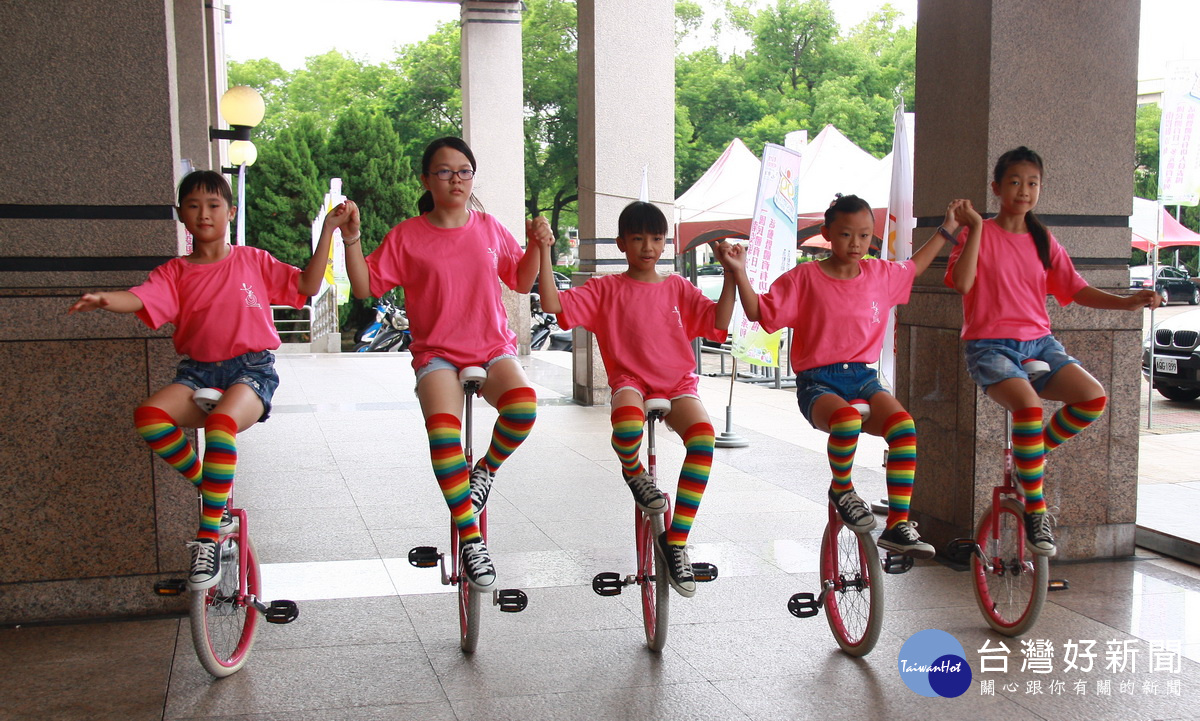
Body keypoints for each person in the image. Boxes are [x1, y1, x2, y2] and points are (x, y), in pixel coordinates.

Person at [68, 169, 333, 590]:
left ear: (230, 212)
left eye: (213, 205)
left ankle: (208, 537)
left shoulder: (253, 260)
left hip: (251, 370)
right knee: (150, 416)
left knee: (221, 425)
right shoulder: (174, 272)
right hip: (197, 372)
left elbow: (307, 283)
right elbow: (140, 296)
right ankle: (215, 492)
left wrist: (330, 232)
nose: (204, 214)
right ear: (181, 215)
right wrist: (104, 299)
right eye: (193, 206)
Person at [337, 137, 547, 592]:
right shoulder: (407, 236)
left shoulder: (490, 227)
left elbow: (520, 278)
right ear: (426, 180)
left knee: (523, 408)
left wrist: (536, 246)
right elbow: (364, 286)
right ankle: (471, 541)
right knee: (444, 434)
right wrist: (351, 238)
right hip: (436, 355)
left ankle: (485, 472)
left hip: (492, 348)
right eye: (445, 172)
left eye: (464, 171)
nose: (456, 180)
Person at [943, 146, 1160, 557]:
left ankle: (1031, 455)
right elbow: (962, 283)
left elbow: (1076, 289)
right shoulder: (979, 232)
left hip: (1040, 342)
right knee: (1028, 406)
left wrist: (1128, 301)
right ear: (996, 188)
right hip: (989, 344)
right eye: (1014, 182)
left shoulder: (1043, 240)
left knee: (1092, 397)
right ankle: (1035, 507)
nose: (1024, 190)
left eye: (1032, 183)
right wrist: (973, 226)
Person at [719, 194, 960, 559]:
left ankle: (897, 524)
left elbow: (914, 266)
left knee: (904, 428)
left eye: (864, 236)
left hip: (864, 378)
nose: (856, 243)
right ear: (827, 233)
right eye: (847, 235)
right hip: (818, 383)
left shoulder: (880, 274)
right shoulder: (804, 278)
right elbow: (758, 312)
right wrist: (738, 272)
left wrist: (947, 230)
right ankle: (842, 489)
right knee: (846, 420)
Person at [535, 201, 735, 597]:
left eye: (657, 239)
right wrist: (543, 250)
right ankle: (633, 472)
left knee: (704, 440)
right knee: (626, 426)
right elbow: (554, 305)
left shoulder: (678, 287)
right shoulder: (606, 288)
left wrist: (731, 274)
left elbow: (719, 323)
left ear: (666, 243)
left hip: (678, 385)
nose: (649, 247)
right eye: (639, 239)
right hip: (630, 381)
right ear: (621, 243)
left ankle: (675, 541)